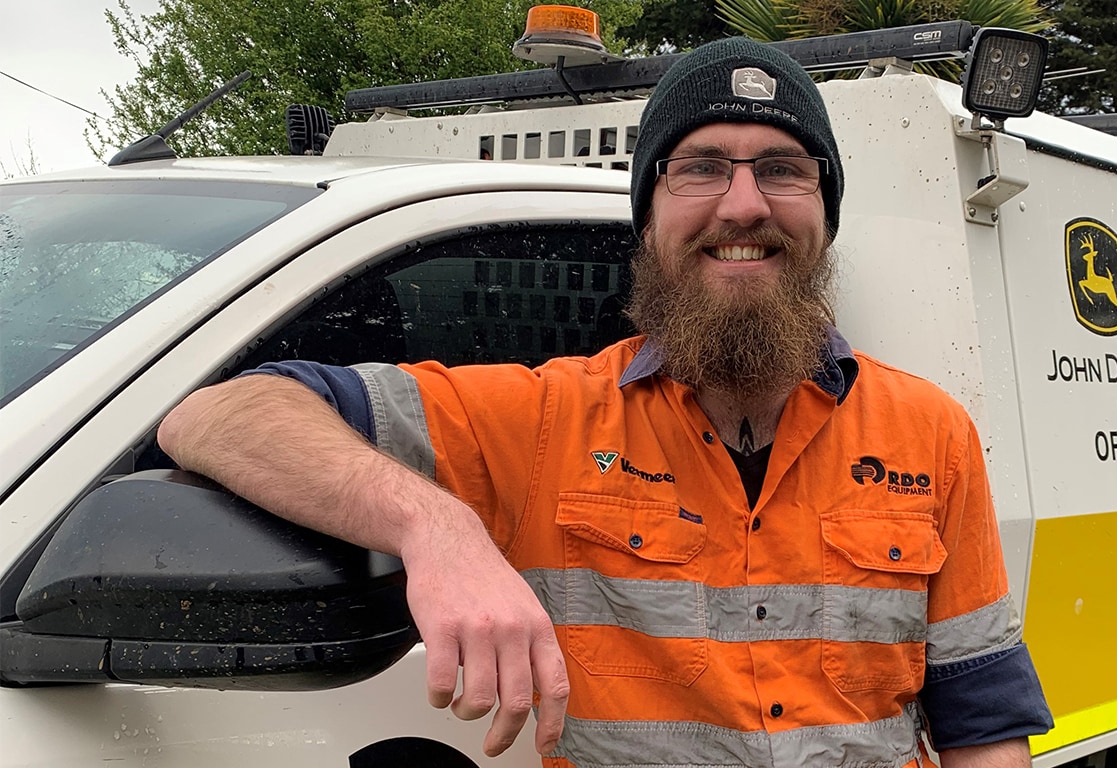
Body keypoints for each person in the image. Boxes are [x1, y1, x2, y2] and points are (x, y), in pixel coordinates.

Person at [158, 37, 1052, 767]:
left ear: (825, 212)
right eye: (700, 168)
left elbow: (980, 724)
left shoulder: (931, 431)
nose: (744, 206)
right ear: (648, 215)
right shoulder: (545, 422)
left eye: (784, 168)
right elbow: (219, 415)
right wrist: (436, 527)